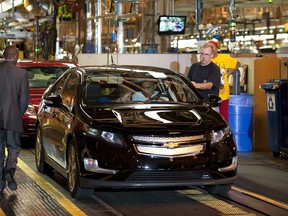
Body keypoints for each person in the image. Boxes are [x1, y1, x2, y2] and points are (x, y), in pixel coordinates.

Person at [0, 46, 30, 198]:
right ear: (14, 57)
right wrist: (17, 114)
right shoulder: (21, 73)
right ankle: (9, 171)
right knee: (13, 148)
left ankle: (0, 185)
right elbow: (24, 100)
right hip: (12, 118)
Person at [209, 40, 241, 121]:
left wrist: (229, 73)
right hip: (210, 94)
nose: (212, 50)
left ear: (217, 48)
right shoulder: (206, 59)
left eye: (213, 48)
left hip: (223, 93)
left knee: (224, 118)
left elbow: (238, 64)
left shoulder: (224, 58)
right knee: (212, 118)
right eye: (210, 48)